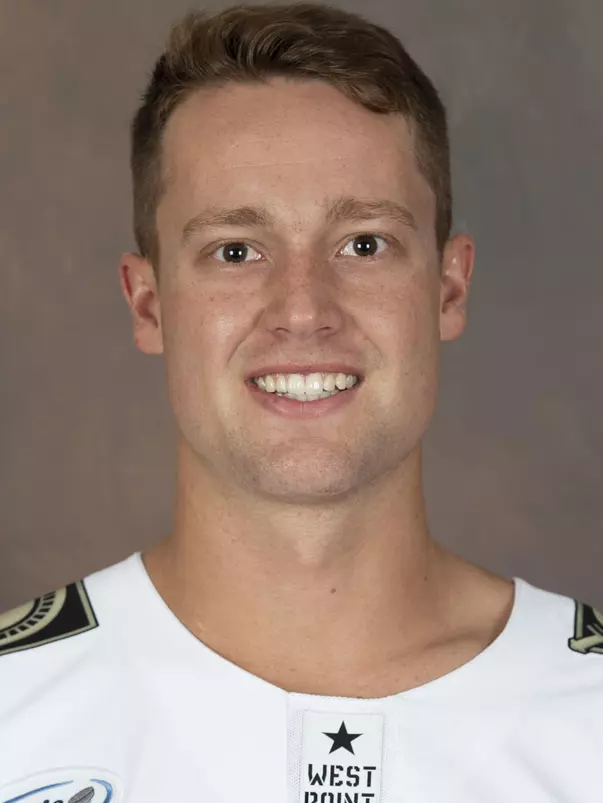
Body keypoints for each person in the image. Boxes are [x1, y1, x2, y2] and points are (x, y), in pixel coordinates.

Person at [1, 3, 601, 801]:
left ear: (448, 286)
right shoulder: (16, 712)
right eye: (235, 250)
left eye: (363, 244)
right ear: (148, 303)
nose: (303, 308)